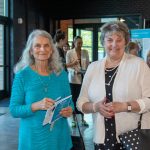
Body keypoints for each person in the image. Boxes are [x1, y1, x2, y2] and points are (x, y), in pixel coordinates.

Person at [77, 21, 150, 150]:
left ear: (126, 41)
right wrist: (95, 107)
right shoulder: (92, 68)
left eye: (119, 40)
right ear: (103, 42)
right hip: (101, 140)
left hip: (132, 138)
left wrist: (125, 106)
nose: (114, 44)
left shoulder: (139, 65)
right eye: (109, 40)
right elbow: (80, 103)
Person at [9, 29, 74, 150]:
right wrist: (36, 106)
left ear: (51, 50)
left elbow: (70, 102)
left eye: (46, 46)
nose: (42, 49)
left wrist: (69, 110)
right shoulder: (22, 76)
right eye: (37, 46)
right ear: (31, 51)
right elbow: (14, 109)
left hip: (59, 138)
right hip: (33, 139)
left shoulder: (61, 74)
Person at [66, 36, 90, 127]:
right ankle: (73, 120)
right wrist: (75, 71)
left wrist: (86, 71)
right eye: (78, 43)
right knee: (74, 100)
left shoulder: (85, 52)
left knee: (83, 100)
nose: (80, 45)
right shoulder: (69, 53)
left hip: (83, 79)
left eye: (81, 43)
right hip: (73, 80)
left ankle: (83, 119)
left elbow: (87, 65)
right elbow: (68, 67)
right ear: (74, 43)